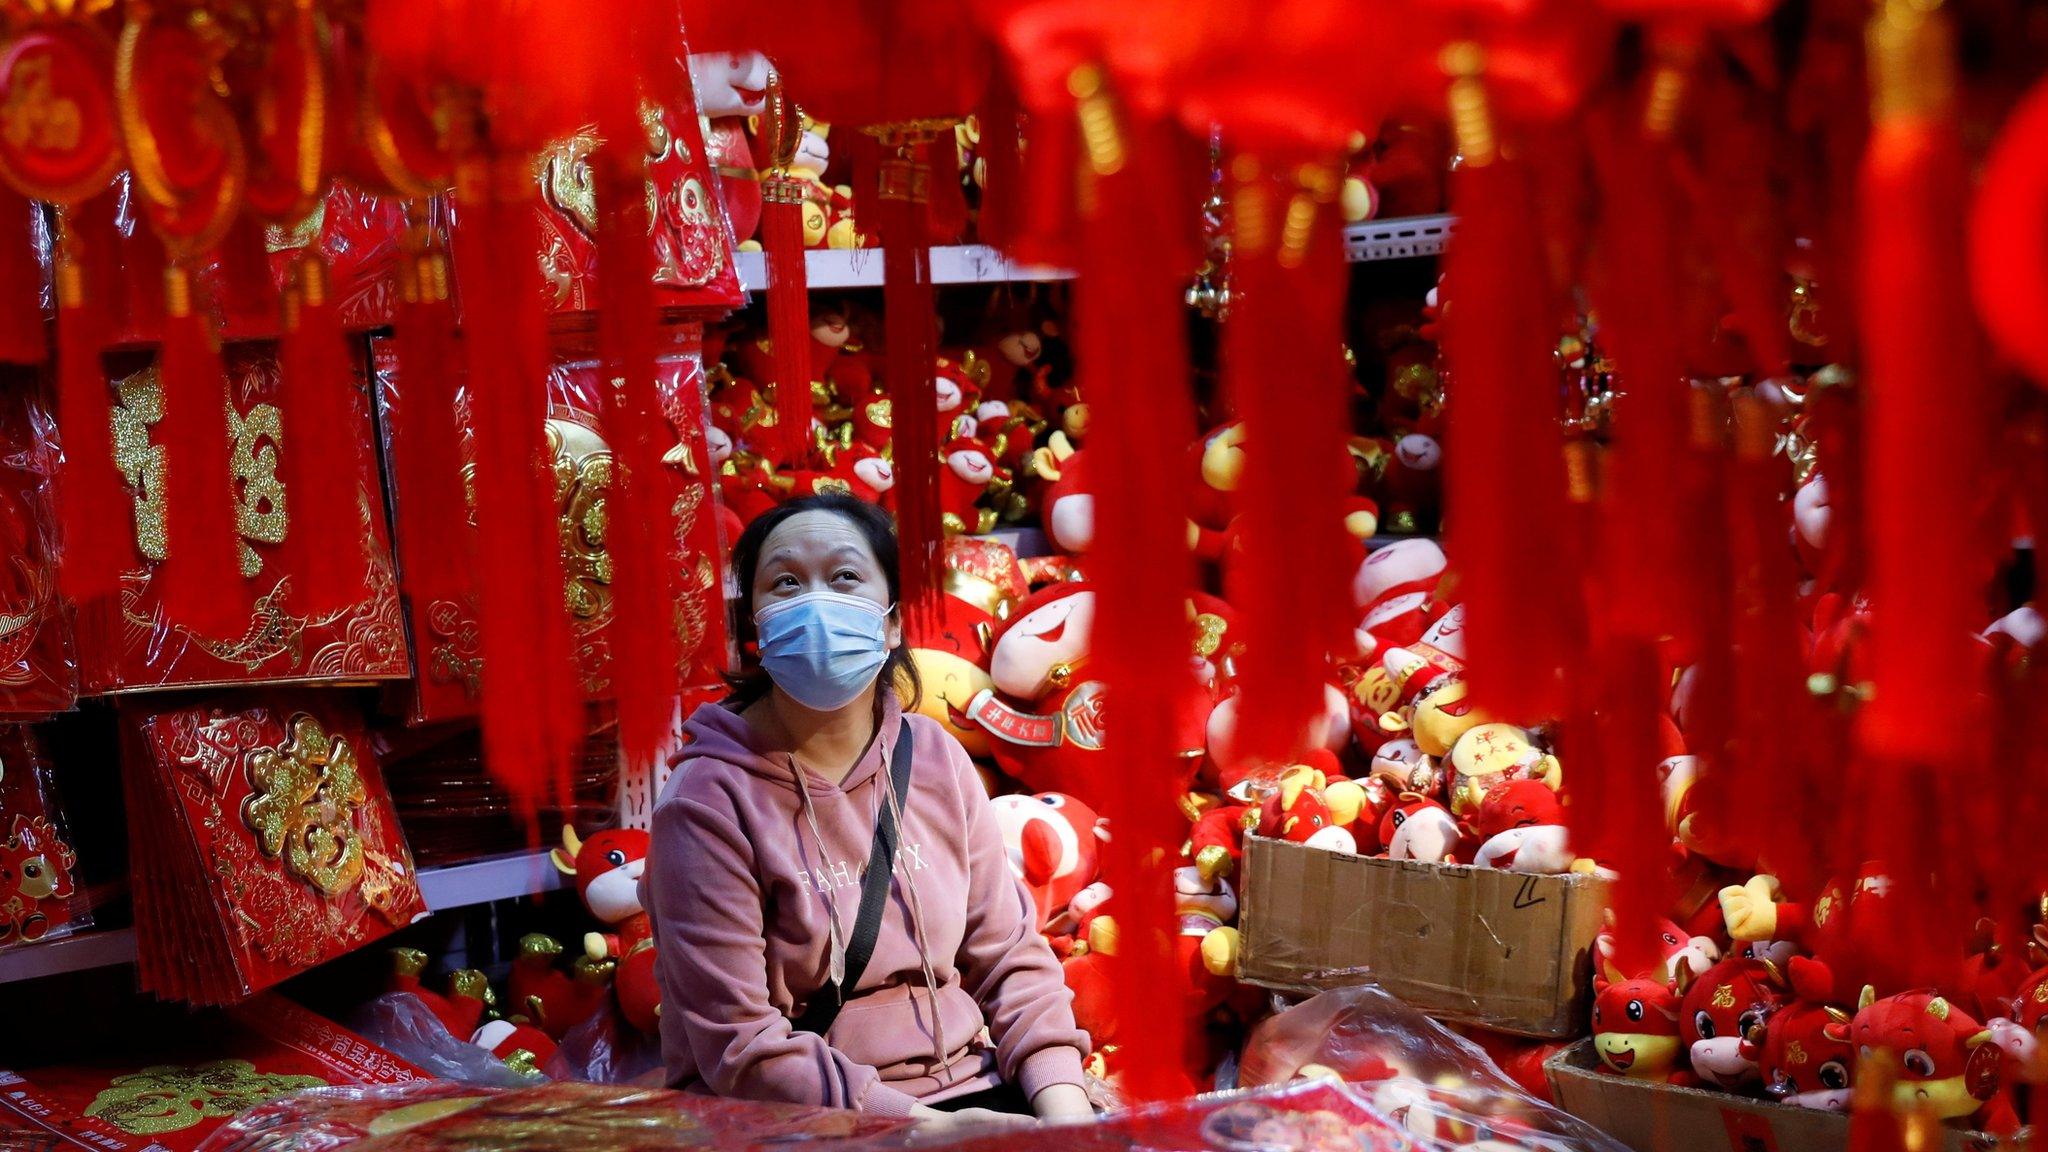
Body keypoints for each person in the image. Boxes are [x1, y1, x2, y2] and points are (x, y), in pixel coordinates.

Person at [642, 493, 1095, 1129]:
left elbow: (1009, 956)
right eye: (786, 583)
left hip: (969, 1089)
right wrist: (923, 1130)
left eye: (846, 576)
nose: (817, 602)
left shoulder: (933, 755)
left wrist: (1065, 1111)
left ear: (892, 622)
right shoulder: (707, 801)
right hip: (794, 1121)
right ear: (757, 626)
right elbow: (741, 1047)